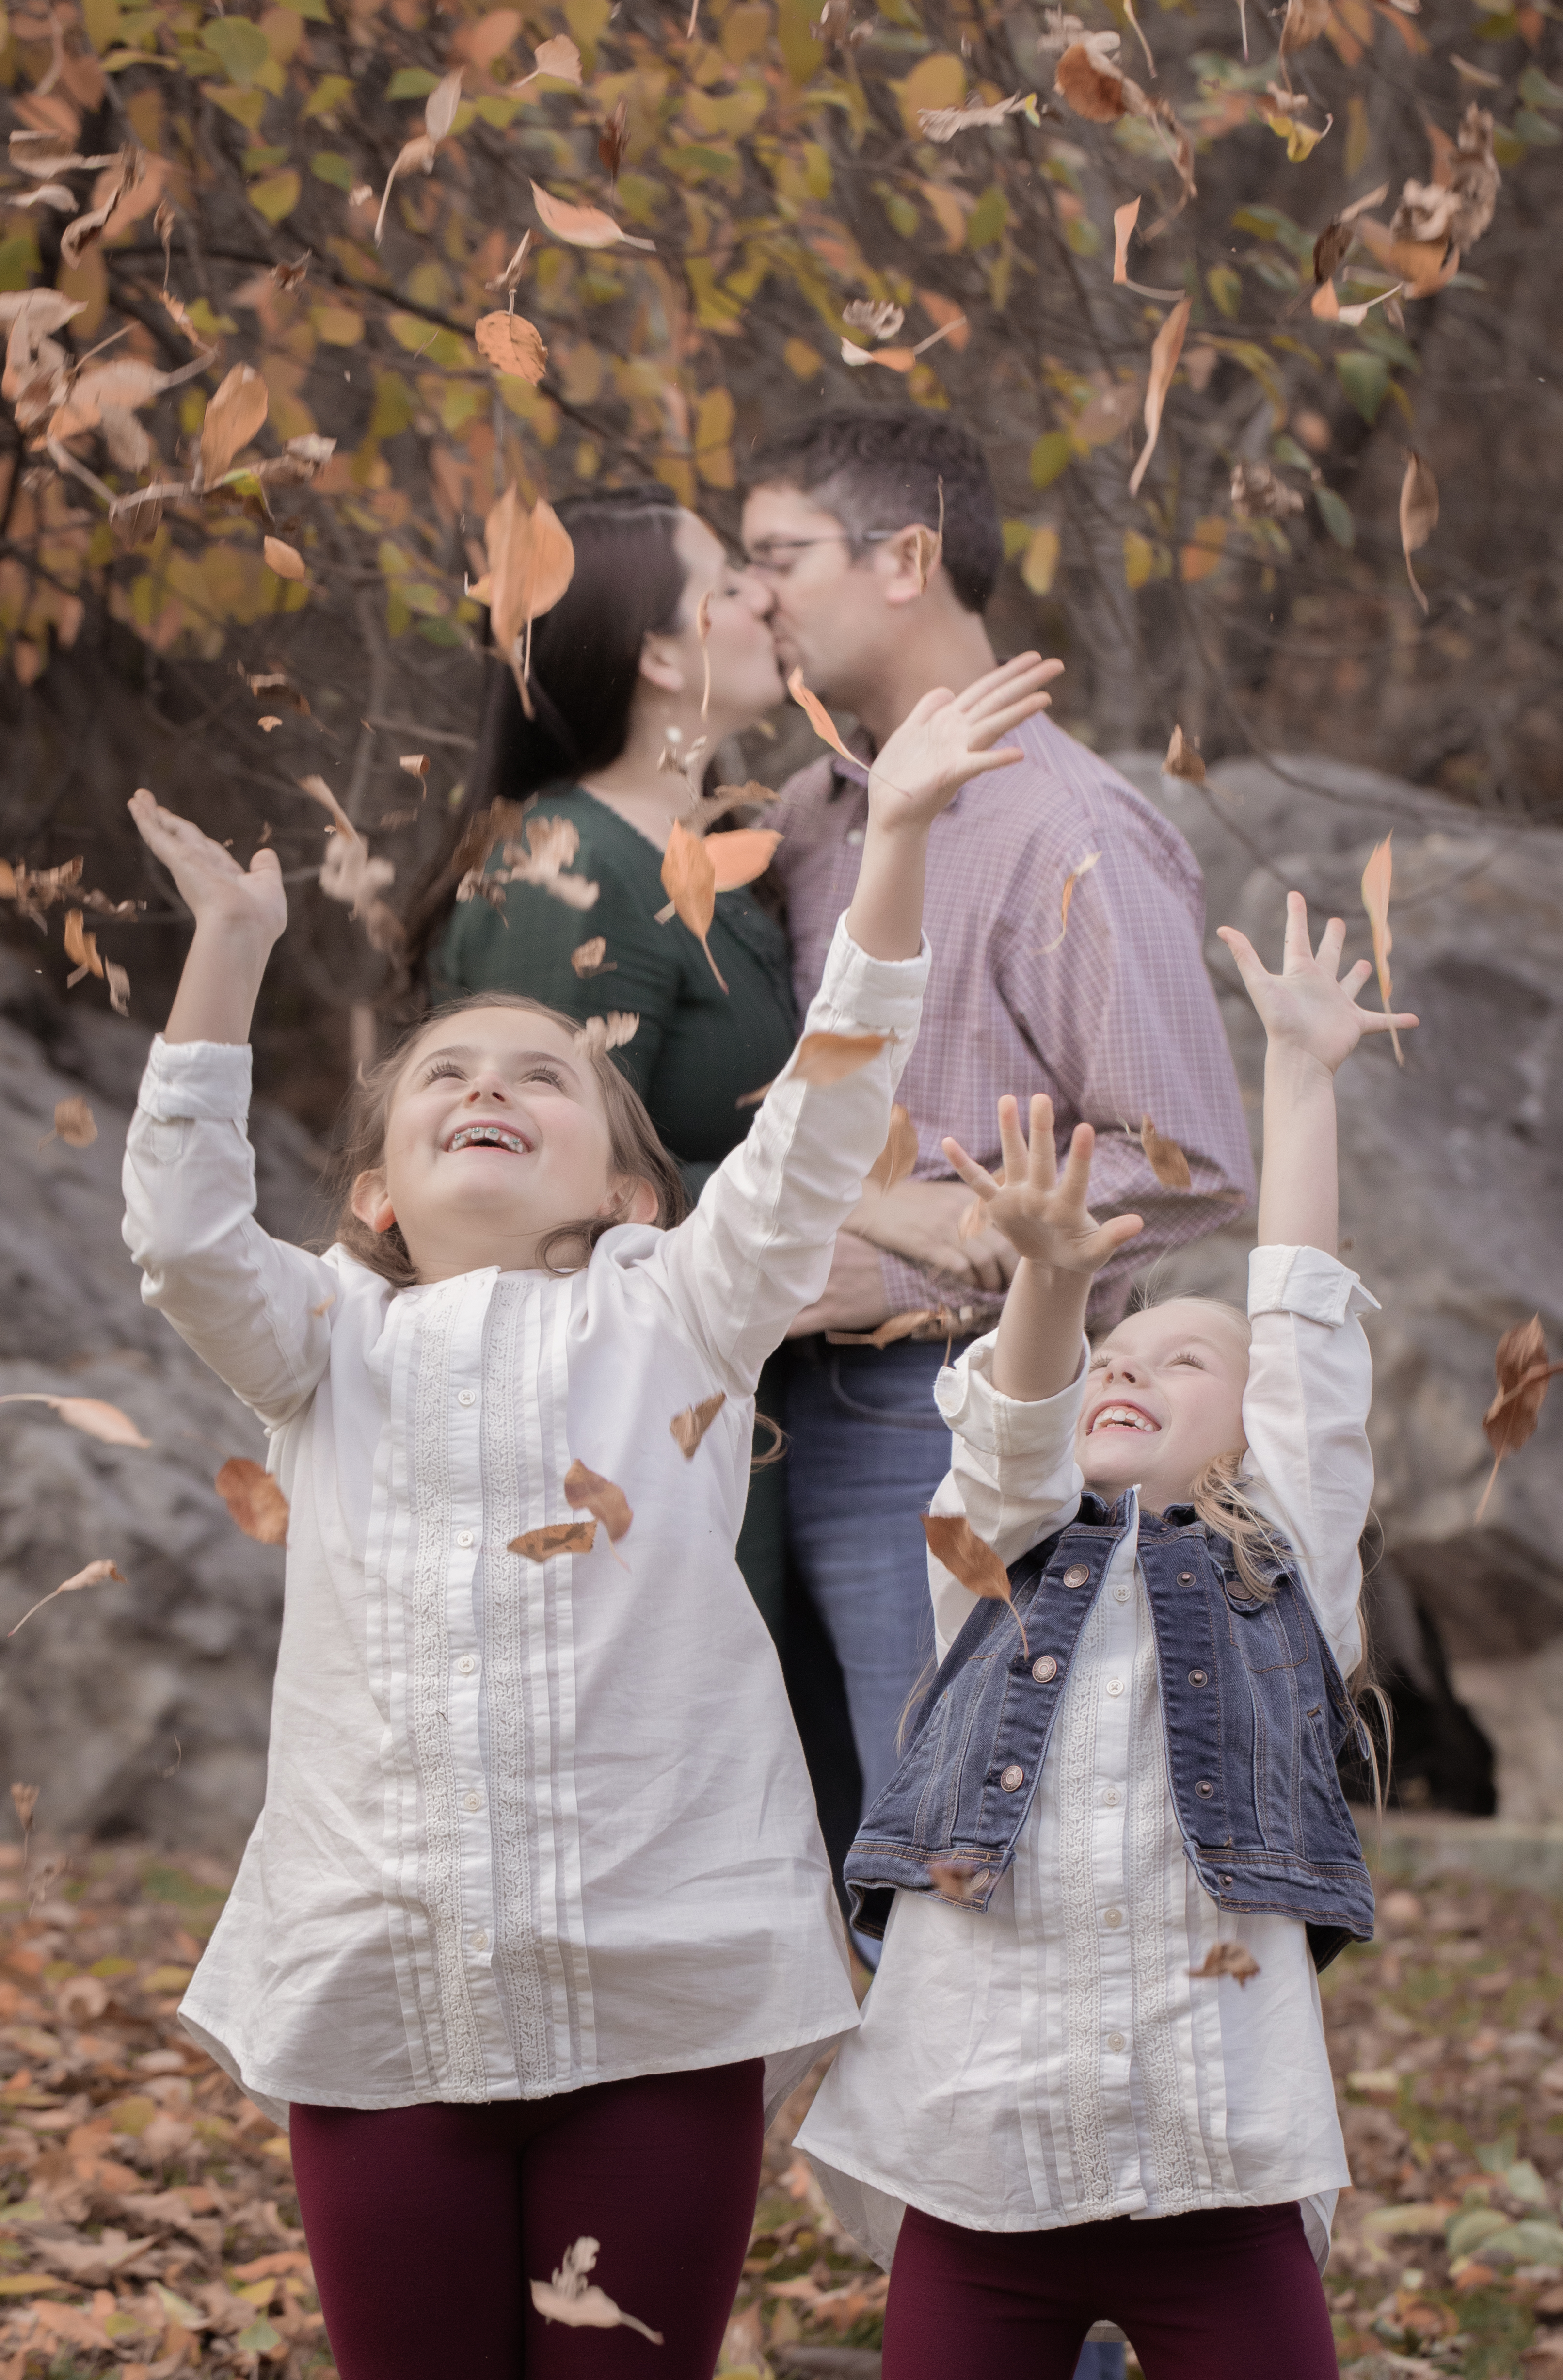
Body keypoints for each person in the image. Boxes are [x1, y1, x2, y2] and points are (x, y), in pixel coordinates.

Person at [118, 648, 1061, 2380]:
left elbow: (825, 1108)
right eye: (447, 1071)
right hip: (380, 1979)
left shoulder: (680, 1309)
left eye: (543, 1073)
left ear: (631, 1183)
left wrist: (905, 832)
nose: (491, 1081)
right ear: (375, 1188)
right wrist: (229, 958)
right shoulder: (324, 1339)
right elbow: (181, 1236)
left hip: (658, 1973)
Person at [797, 889, 1417, 2380]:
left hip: (1218, 2159)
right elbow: (1015, 1428)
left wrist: (1301, 1070)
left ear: (1248, 1417)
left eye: (1181, 1357)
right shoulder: (994, 1555)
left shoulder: (1285, 1562)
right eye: (1110, 1362)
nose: (1128, 1371)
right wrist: (1054, 1277)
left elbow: (1307, 1330)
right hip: (979, 2158)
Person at [740, 412, 1255, 1904]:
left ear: (905, 558)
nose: (759, 595)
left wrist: (936, 1241)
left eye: (781, 556)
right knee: (805, 1871)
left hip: (950, 1412)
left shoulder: (1064, 825)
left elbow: (1181, 1155)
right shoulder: (805, 816)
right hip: (766, 1408)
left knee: (947, 1859)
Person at [412, 485, 798, 1637]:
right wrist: (873, 1226)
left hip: (709, 1411)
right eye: (726, 586)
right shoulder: (566, 871)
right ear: (663, 661)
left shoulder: (708, 858)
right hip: (607, 1454)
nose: (762, 597)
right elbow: (529, 1200)